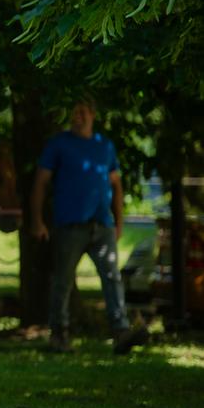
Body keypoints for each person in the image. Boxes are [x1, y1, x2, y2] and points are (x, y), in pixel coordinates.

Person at [30, 96, 149, 354]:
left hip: (102, 225)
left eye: (83, 112)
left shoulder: (104, 146)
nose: (78, 116)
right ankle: (59, 336)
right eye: (74, 112)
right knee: (62, 281)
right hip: (69, 225)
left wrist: (119, 221)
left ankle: (121, 332)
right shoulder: (59, 144)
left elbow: (116, 185)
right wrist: (38, 220)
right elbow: (41, 182)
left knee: (112, 277)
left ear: (93, 115)